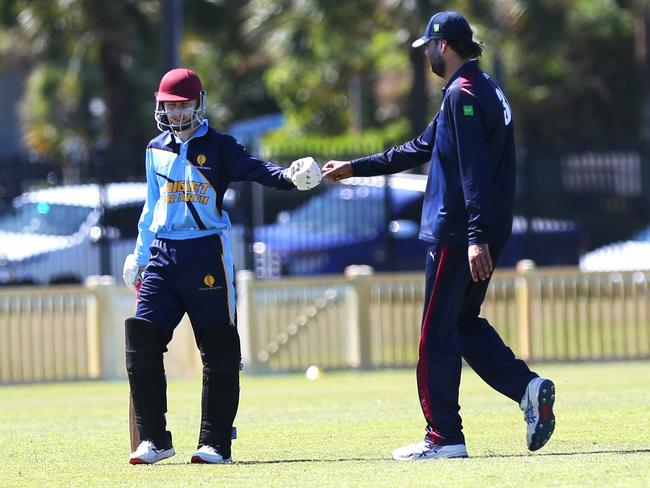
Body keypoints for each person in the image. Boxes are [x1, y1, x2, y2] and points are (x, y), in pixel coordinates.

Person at [322, 11, 555, 461]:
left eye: (427, 47)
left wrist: (474, 236)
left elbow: (473, 171)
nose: (426, 55)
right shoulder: (477, 88)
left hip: (457, 234)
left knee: (435, 335)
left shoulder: (463, 95)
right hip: (478, 230)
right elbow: (418, 148)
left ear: (442, 46)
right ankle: (527, 389)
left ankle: (443, 437)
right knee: (463, 324)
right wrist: (354, 168)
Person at [122, 67, 321, 465]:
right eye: (169, 106)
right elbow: (151, 206)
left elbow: (257, 170)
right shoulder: (154, 148)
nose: (176, 114)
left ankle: (214, 443)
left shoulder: (220, 146)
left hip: (205, 253)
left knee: (219, 348)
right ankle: (155, 439)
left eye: (184, 105)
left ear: (199, 104)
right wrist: (139, 255)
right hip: (163, 254)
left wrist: (289, 177)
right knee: (142, 339)